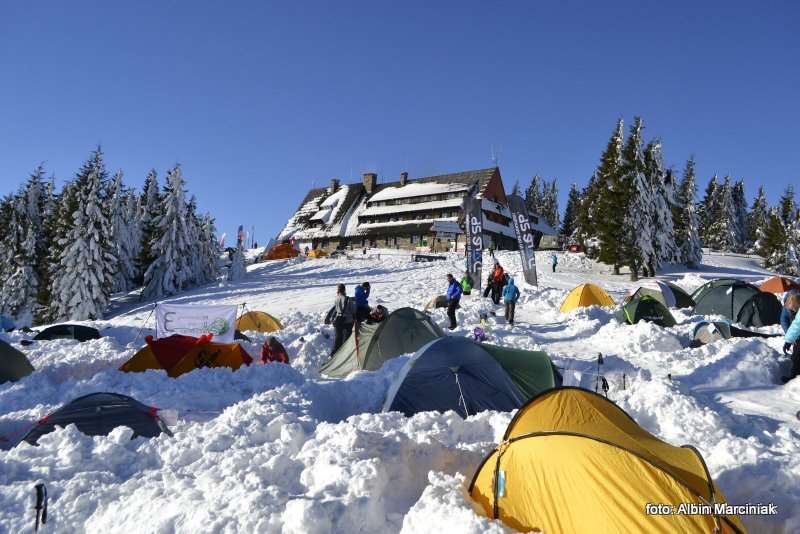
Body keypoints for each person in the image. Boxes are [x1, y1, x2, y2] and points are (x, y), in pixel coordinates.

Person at [331, 284, 356, 355]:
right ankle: (345, 353)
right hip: (348, 321)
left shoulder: (336, 298)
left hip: (339, 321)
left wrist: (332, 318)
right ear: (344, 290)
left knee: (338, 338)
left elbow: (335, 309)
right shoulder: (348, 299)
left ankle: (333, 354)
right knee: (347, 339)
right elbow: (353, 310)